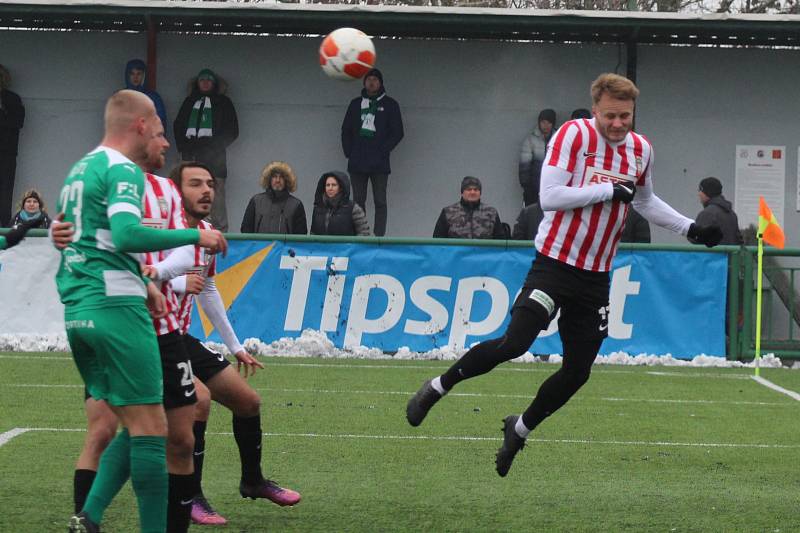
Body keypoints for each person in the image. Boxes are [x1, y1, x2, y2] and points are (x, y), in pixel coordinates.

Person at [406, 73, 723, 479]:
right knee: (513, 343)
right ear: (595, 110)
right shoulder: (573, 136)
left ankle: (518, 429)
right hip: (554, 265)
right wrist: (607, 191)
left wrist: (691, 229)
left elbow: (645, 201)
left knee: (578, 371)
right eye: (610, 116)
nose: (618, 124)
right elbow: (549, 197)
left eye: (625, 116)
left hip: (595, 278)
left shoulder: (641, 150)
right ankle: (437, 387)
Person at [59, 90, 227, 533]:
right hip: (117, 310)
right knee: (152, 431)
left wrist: (142, 281)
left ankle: (89, 518)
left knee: (136, 422)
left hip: (80, 310)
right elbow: (128, 234)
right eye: (157, 129)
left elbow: (82, 236)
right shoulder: (123, 170)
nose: (164, 139)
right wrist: (195, 237)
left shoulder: (81, 167)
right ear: (138, 126)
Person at [148, 161, 301, 525]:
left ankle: (252, 481)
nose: (206, 191)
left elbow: (210, 289)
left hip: (180, 336)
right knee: (198, 402)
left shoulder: (205, 233)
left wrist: (235, 347)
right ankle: (192, 495)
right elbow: (138, 274)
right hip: (149, 338)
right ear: (174, 190)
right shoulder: (154, 232)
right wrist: (181, 284)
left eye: (210, 184)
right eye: (195, 183)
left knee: (247, 401)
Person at [174, 68, 239, 232]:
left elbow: (232, 130)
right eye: (202, 80)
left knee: (216, 201)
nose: (205, 83)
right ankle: (188, 231)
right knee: (188, 197)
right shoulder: (189, 102)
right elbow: (178, 126)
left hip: (215, 161)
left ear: (214, 84)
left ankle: (221, 235)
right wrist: (185, 148)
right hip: (191, 158)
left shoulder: (223, 102)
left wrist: (215, 146)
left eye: (208, 80)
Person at [340, 68, 403, 236]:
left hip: (379, 162)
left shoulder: (390, 105)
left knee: (380, 201)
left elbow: (398, 132)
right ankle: (362, 234)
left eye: (375, 79)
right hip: (357, 162)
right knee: (358, 201)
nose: (372, 82)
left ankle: (379, 236)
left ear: (381, 83)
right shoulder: (356, 104)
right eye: (369, 79)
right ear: (364, 82)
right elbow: (345, 130)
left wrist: (383, 150)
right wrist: (350, 152)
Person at [240, 161, 307, 235]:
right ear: (269, 179)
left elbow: (301, 237)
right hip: (261, 246)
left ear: (287, 180)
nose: (278, 180)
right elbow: (246, 230)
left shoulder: (296, 205)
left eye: (281, 177)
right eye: (275, 176)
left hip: (286, 246)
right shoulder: (256, 201)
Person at [433, 176, 505, 239]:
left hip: (484, 254)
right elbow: (437, 240)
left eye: (476, 189)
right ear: (462, 192)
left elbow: (501, 240)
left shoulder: (491, 212)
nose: (472, 192)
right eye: (469, 189)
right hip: (457, 254)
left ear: (480, 193)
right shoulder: (448, 212)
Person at [0, 64, 25, 227]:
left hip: (6, 153)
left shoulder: (12, 99)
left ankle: (3, 228)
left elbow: (18, 122)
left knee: (4, 193)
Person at [310, 171, 370, 236]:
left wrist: (352, 246)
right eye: (327, 185)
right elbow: (313, 234)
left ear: (341, 188)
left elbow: (364, 234)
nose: (330, 188)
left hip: (348, 246)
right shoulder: (317, 208)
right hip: (321, 246)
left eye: (334, 185)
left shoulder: (353, 208)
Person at [518, 109, 556, 206]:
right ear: (539, 123)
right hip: (533, 186)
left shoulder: (558, 138)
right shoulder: (530, 140)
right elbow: (524, 166)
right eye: (543, 122)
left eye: (549, 123)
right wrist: (526, 186)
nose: (546, 126)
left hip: (553, 186)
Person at [691, 177, 742, 246]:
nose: (699, 194)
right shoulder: (731, 213)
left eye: (700, 190)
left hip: (714, 256)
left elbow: (697, 240)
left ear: (707, 192)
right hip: (729, 256)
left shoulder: (707, 214)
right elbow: (738, 240)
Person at [124, 59, 167, 132]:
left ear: (144, 75)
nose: (135, 77)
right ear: (127, 75)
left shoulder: (154, 97)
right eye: (132, 73)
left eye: (139, 74)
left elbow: (160, 122)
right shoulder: (120, 97)